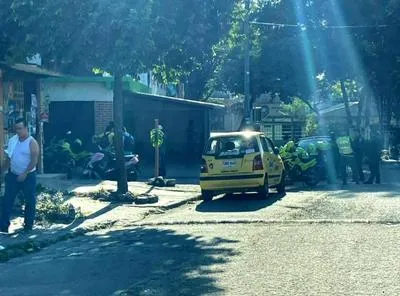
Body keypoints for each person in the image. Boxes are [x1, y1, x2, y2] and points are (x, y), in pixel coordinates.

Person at [0, 118, 39, 233]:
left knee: (29, 200)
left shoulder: (32, 142)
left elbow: (34, 161)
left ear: (26, 128)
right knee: (7, 199)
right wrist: (2, 171)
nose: (18, 131)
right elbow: (9, 157)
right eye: (16, 129)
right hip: (13, 174)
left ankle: (28, 225)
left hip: (28, 175)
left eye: (20, 128)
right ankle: (3, 226)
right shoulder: (13, 140)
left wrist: (25, 173)